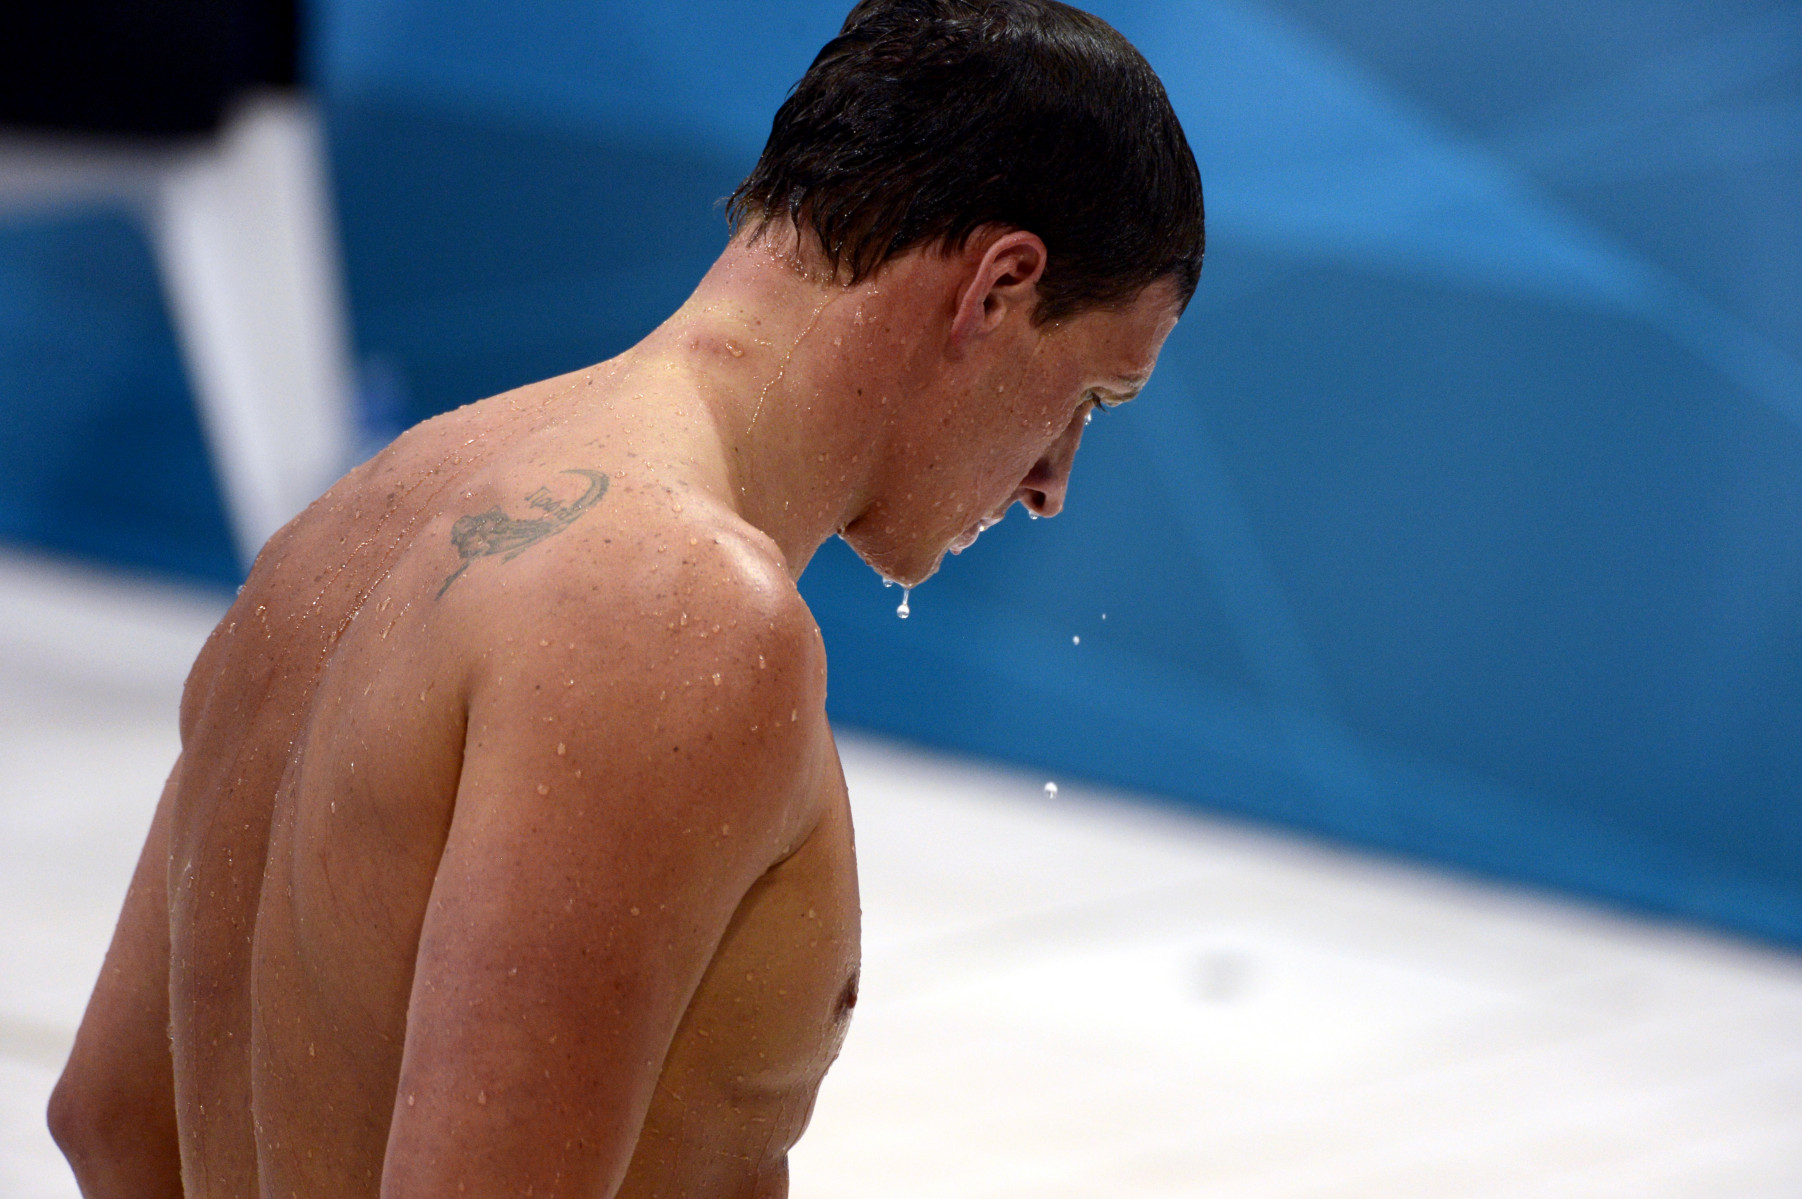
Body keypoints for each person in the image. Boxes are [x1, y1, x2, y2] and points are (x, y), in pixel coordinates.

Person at [47, 0, 1203, 1194]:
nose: (1052, 481)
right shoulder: (683, 615)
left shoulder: (352, 522)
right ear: (999, 286)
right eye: (1090, 398)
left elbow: (112, 1116)